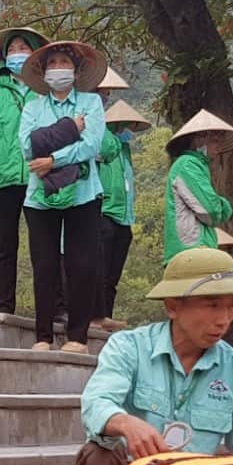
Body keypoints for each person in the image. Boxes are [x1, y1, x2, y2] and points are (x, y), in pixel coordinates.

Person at [74, 247, 233, 465]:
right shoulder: (128, 347)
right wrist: (126, 423)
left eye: (231, 307)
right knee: (98, 454)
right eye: (212, 305)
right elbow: (96, 402)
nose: (223, 320)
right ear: (172, 307)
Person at [19, 39, 107, 354]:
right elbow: (29, 147)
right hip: (40, 197)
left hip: (84, 193)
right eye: (52, 63)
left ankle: (77, 336)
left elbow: (92, 145)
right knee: (44, 265)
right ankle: (42, 335)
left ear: (76, 69)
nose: (59, 69)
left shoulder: (92, 104)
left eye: (64, 63)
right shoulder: (32, 106)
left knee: (81, 265)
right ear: (43, 72)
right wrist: (71, 127)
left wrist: (53, 158)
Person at [0, 26, 48, 314]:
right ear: (5, 56)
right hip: (3, 180)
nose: (18, 53)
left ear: (33, 54)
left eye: (23, 47)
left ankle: (51, 309)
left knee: (44, 247)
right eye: (13, 48)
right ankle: (4, 308)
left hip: (39, 178)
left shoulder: (43, 94)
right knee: (5, 246)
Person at [93, 100, 150, 332]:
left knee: (113, 272)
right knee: (101, 267)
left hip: (125, 217)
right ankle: (95, 315)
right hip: (106, 211)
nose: (127, 130)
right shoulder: (102, 143)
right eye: (123, 125)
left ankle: (107, 314)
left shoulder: (124, 149)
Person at [163, 110, 233, 263]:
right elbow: (211, 210)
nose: (219, 146)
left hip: (198, 251)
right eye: (216, 140)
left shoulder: (196, 166)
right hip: (190, 251)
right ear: (200, 139)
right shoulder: (188, 164)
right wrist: (223, 205)